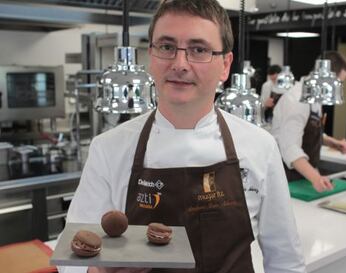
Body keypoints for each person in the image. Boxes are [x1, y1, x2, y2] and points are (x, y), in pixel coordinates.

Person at [59, 0, 305, 273]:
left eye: (198, 50)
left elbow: (285, 260)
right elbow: (73, 254)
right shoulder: (109, 149)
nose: (180, 64)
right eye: (166, 47)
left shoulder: (261, 146)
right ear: (151, 56)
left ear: (225, 65)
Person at [271, 51, 346, 192]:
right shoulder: (297, 99)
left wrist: (331, 142)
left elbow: (308, 130)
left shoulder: (314, 96)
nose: (338, 89)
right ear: (326, 78)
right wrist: (316, 178)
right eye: (339, 83)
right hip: (286, 177)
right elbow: (290, 148)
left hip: (303, 174)